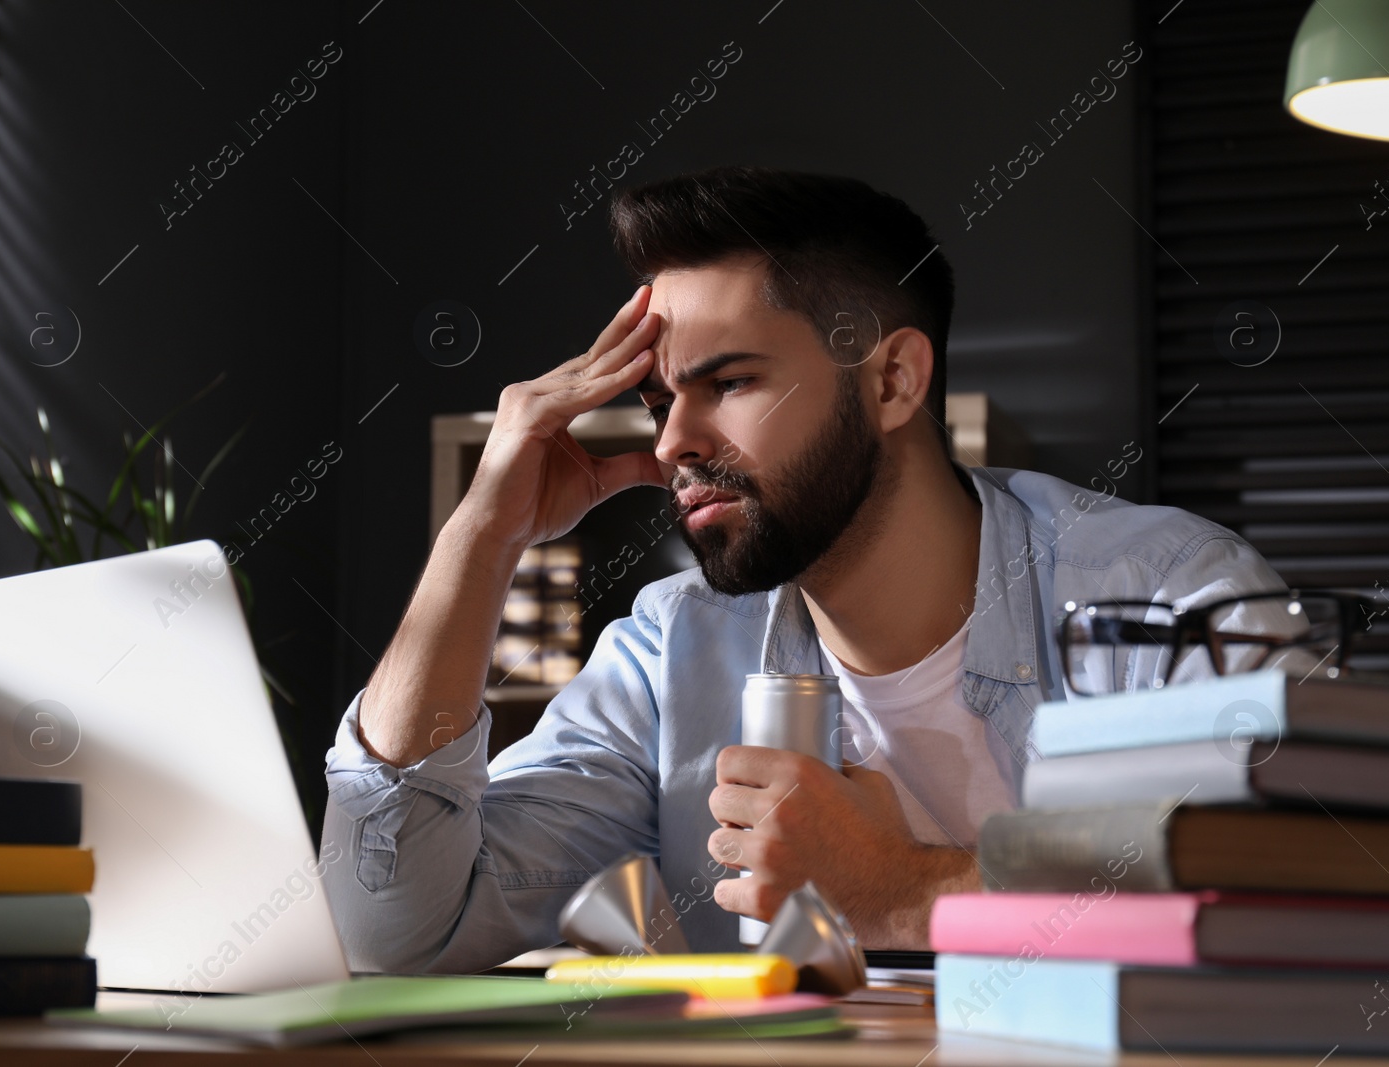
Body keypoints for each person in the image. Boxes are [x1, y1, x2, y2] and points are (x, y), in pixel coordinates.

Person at [319, 165, 1286, 973]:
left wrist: (902, 886)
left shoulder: (1168, 594)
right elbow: (395, 928)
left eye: (729, 382)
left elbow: (1288, 916)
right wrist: (480, 539)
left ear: (893, 380)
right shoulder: (671, 650)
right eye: (660, 403)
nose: (670, 446)